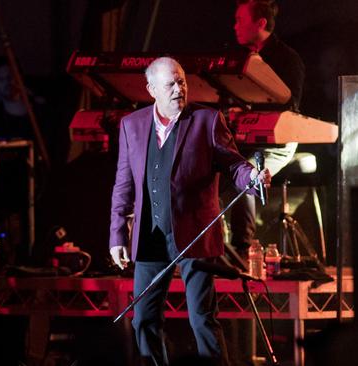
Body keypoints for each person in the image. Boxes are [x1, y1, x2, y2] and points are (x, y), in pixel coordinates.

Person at [108, 57, 271, 366]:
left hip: (195, 231)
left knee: (202, 319)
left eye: (181, 81)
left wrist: (251, 177)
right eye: (170, 84)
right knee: (143, 319)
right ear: (151, 89)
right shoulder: (132, 125)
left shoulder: (207, 120)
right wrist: (117, 234)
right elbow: (123, 183)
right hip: (152, 234)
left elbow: (233, 164)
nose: (178, 89)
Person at [228, 0, 306, 256]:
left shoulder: (287, 59)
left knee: (247, 174)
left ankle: (242, 251)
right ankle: (211, 249)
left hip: (278, 142)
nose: (235, 25)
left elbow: (289, 108)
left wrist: (249, 112)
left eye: (240, 19)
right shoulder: (239, 57)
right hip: (245, 139)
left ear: (260, 23)